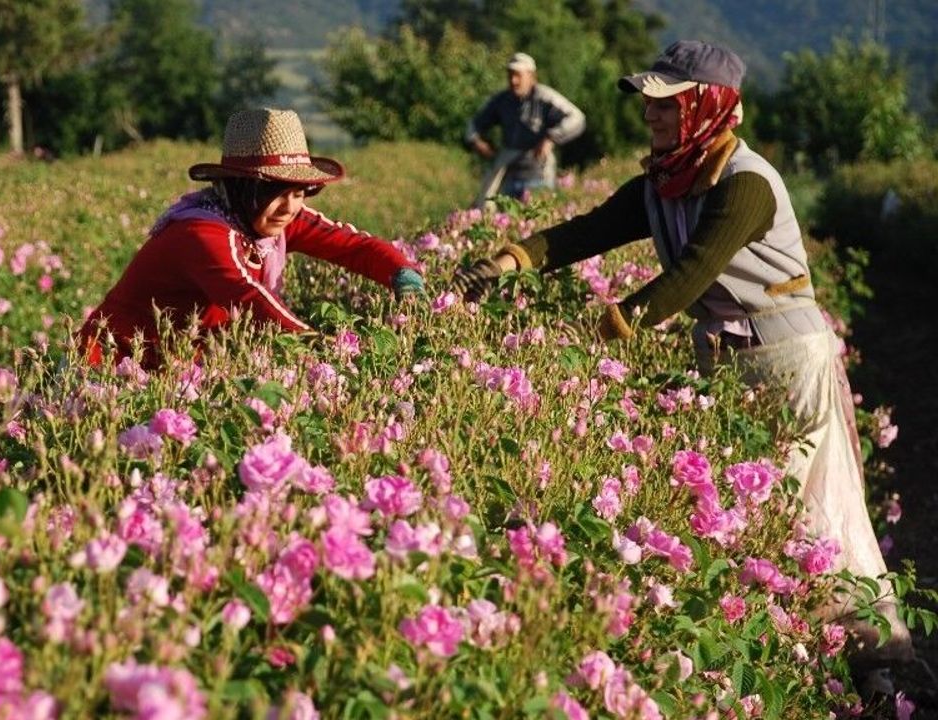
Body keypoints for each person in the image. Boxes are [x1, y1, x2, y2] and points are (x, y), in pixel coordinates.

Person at [452, 40, 912, 691]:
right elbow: (588, 230)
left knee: (798, 512)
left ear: (707, 106)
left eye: (666, 103)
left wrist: (599, 331)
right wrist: (505, 262)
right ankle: (804, 659)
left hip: (785, 364)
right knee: (758, 515)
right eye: (649, 102)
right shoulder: (667, 180)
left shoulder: (745, 182)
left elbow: (691, 274)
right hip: (730, 363)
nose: (650, 112)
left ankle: (867, 660)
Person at [76, 108, 424, 366]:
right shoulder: (198, 233)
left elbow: (353, 246)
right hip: (106, 365)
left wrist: (403, 275)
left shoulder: (273, 218)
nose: (290, 206)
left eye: (300, 192)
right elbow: (246, 297)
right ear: (240, 188)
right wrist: (318, 345)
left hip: (175, 370)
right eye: (275, 191)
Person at [466, 52, 585, 206]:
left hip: (539, 175)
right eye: (510, 75)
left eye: (518, 75)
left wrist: (551, 138)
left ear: (531, 76)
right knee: (494, 211)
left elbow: (577, 118)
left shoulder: (545, 97)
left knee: (538, 215)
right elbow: (474, 123)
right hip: (509, 176)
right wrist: (476, 141)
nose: (513, 81)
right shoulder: (502, 100)